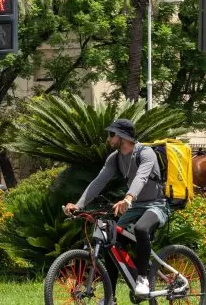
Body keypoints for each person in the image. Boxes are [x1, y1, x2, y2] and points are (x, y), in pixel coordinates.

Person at [64, 119, 168, 302]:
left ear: (123, 137)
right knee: (111, 242)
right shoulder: (115, 158)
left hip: (156, 205)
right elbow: (98, 182)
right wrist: (79, 205)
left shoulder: (146, 153)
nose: (108, 138)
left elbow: (141, 178)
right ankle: (110, 297)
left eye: (111, 134)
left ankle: (143, 279)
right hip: (136, 206)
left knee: (141, 229)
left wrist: (128, 198)